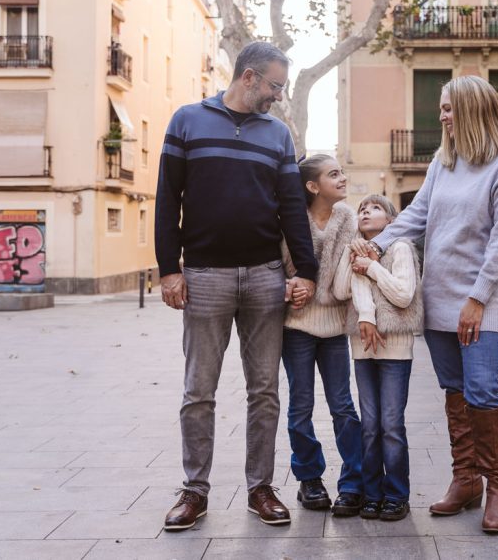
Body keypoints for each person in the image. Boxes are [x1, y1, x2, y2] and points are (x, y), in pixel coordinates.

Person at [352, 75, 498, 534]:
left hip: (482, 301)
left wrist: (477, 298)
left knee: (483, 390)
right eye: (442, 107)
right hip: (439, 298)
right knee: (455, 391)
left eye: (449, 108)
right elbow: (418, 214)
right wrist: (378, 245)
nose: (442, 115)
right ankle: (466, 479)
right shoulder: (444, 162)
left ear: (472, 110)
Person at [155, 42, 319, 531]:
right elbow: (167, 200)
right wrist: (169, 268)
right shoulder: (187, 120)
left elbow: (292, 207)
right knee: (198, 390)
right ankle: (194, 491)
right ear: (249, 77)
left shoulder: (278, 135)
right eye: (274, 86)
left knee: (265, 390)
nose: (278, 96)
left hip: (266, 275)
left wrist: (304, 272)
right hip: (204, 276)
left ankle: (260, 488)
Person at [280, 154, 364, 516]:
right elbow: (277, 265)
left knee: (343, 406)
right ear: (313, 186)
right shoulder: (289, 219)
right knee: (301, 406)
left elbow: (351, 267)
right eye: (334, 175)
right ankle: (309, 478)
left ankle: (353, 482)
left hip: (334, 327)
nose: (343, 178)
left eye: (342, 172)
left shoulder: (348, 218)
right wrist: (290, 287)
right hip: (296, 325)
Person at [336, 194, 422, 522]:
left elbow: (403, 295)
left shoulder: (400, 248)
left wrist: (371, 267)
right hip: (363, 349)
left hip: (395, 349)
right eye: (362, 209)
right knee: (370, 426)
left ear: (390, 221)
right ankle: (372, 494)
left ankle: (397, 495)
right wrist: (351, 257)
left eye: (375, 209)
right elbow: (343, 290)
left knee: (392, 425)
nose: (366, 212)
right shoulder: (355, 248)